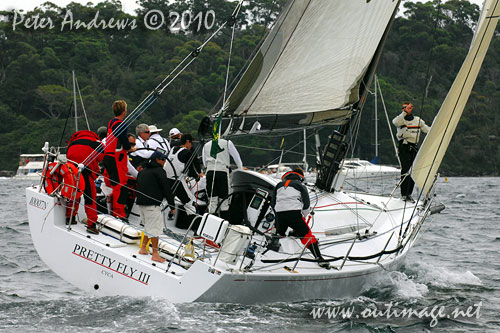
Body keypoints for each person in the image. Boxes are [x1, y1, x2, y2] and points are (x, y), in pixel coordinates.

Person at [271, 169, 330, 269]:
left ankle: (271, 251)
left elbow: (273, 203)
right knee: (308, 237)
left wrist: (277, 215)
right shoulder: (301, 186)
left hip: (279, 215)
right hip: (294, 215)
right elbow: (306, 205)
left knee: (279, 233)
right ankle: (319, 258)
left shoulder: (278, 185)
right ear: (300, 178)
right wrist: (304, 215)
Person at [136, 150, 176, 263]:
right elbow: (166, 189)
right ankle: (155, 254)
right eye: (163, 159)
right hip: (152, 205)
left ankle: (143, 248)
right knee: (155, 230)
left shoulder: (143, 171)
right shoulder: (159, 171)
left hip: (141, 204)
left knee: (148, 227)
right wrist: (172, 205)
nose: (164, 162)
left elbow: (137, 184)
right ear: (157, 160)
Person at [103, 100, 135, 220]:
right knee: (121, 186)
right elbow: (126, 145)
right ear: (124, 111)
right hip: (116, 158)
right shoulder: (121, 125)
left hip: (108, 156)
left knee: (113, 183)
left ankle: (113, 209)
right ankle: (118, 213)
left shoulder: (111, 122)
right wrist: (131, 148)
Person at [66, 130, 104, 234]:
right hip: (87, 172)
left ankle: (70, 217)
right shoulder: (96, 143)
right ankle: (92, 225)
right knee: (90, 198)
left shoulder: (72, 142)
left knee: (74, 194)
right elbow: (101, 157)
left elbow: (68, 156)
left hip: (72, 172)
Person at [392, 102, 431, 202]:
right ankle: (404, 194)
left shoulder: (418, 120)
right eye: (404, 108)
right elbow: (395, 122)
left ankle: (409, 194)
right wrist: (405, 112)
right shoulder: (400, 119)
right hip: (404, 147)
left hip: (414, 147)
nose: (405, 110)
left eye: (407, 108)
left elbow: (427, 130)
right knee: (405, 170)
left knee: (414, 171)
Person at [164, 134, 201, 228]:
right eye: (191, 143)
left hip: (166, 180)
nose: (191, 145)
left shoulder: (173, 149)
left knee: (165, 200)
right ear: (188, 142)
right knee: (190, 204)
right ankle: (193, 230)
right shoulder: (186, 152)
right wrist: (197, 176)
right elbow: (191, 170)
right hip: (178, 182)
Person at [202, 137, 243, 215]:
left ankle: (211, 223)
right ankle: (224, 222)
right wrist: (240, 168)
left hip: (210, 173)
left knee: (212, 201)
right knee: (224, 201)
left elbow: (204, 163)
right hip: (222, 172)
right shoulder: (228, 143)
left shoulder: (206, 145)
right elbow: (237, 157)